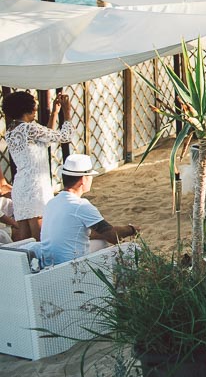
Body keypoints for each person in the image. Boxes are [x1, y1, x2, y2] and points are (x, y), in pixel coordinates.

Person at [39, 154, 137, 266]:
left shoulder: (52, 202)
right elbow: (111, 235)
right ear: (83, 179)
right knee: (133, 249)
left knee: (100, 243)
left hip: (50, 264)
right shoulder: (81, 205)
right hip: (72, 265)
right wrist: (132, 229)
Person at [3, 90, 75, 241]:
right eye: (34, 107)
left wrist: (55, 112)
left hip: (21, 187)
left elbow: (45, 139)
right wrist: (67, 112)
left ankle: (24, 263)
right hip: (36, 186)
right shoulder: (29, 128)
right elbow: (65, 136)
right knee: (42, 235)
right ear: (27, 109)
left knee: (24, 235)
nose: (35, 110)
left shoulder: (11, 132)